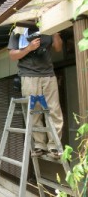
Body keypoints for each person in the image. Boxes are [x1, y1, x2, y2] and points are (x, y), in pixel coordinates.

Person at [7, 27, 64, 159]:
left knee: (54, 110)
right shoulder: (18, 30)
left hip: (48, 74)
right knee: (34, 111)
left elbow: (58, 48)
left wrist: (55, 32)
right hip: (28, 75)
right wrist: (28, 48)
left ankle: (54, 146)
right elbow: (12, 55)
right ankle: (40, 145)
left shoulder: (48, 24)